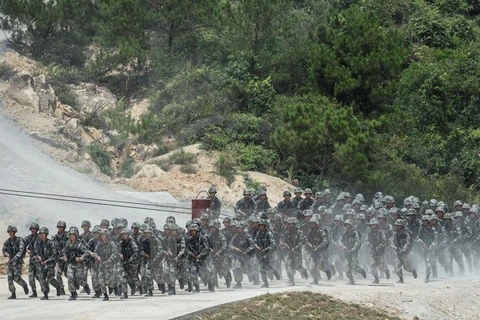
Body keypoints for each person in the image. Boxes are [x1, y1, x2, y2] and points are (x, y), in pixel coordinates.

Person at [62, 227, 90, 300]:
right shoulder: (68, 243)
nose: (71, 236)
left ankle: (85, 285)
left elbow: (86, 252)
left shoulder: (79, 244)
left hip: (78, 264)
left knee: (78, 279)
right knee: (70, 278)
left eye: (73, 234)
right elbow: (64, 251)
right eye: (70, 234)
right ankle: (73, 294)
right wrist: (65, 257)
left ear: (76, 235)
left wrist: (81, 258)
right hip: (71, 263)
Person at [2, 225, 29, 299]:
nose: (10, 233)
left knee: (17, 278)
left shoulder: (19, 240)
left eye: (12, 232)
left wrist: (15, 257)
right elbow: (3, 250)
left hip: (18, 262)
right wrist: (7, 255)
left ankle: (24, 285)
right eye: (9, 232)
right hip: (10, 262)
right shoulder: (7, 242)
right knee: (10, 278)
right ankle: (13, 293)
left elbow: (21, 250)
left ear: (14, 232)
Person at [34, 227, 61, 300]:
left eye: (43, 234)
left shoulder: (50, 243)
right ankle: (45, 294)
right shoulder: (38, 243)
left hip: (50, 264)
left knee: (50, 279)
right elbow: (35, 252)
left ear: (46, 234)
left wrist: (48, 260)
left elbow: (54, 254)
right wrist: (38, 257)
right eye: (41, 234)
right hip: (41, 263)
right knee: (41, 278)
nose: (42, 235)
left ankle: (58, 286)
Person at [280, 217, 308, 286]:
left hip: (297, 252)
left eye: (291, 224)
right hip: (288, 252)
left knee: (297, 266)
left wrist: (295, 248)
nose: (289, 226)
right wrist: (284, 245)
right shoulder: (286, 232)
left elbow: (301, 242)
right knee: (288, 266)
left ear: (294, 224)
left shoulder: (299, 232)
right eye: (288, 224)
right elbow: (282, 240)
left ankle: (303, 271)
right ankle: (291, 281)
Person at [94, 228, 119, 301]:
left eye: (104, 235)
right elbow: (95, 252)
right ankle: (105, 295)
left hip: (109, 265)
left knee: (110, 281)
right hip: (101, 265)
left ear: (107, 235)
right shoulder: (99, 244)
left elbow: (115, 253)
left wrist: (109, 261)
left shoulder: (111, 243)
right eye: (102, 235)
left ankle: (114, 287)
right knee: (101, 280)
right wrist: (97, 257)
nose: (103, 236)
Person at [230, 222, 256, 288]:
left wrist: (247, 251)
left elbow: (252, 245)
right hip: (239, 255)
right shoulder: (236, 236)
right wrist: (235, 248)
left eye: (240, 228)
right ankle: (238, 283)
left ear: (243, 228)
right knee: (237, 267)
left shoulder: (247, 236)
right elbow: (230, 244)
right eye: (237, 228)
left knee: (248, 270)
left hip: (247, 256)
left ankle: (252, 276)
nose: (238, 229)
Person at [254, 219, 279, 288]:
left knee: (268, 266)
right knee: (261, 269)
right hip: (261, 253)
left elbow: (273, 244)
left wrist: (266, 249)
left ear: (265, 226)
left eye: (262, 225)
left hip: (268, 253)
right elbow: (254, 242)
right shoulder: (258, 233)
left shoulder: (269, 233)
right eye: (260, 226)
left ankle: (274, 271)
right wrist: (257, 247)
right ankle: (265, 283)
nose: (261, 227)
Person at [340, 219, 366, 285]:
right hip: (347, 252)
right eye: (346, 225)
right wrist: (342, 246)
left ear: (351, 225)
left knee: (354, 267)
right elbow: (339, 240)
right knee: (346, 266)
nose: (347, 226)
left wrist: (353, 249)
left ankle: (361, 271)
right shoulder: (344, 233)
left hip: (354, 252)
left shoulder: (355, 233)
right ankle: (351, 280)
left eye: (348, 225)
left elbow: (358, 242)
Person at [306, 216, 331, 284]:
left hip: (320, 251)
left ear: (316, 224)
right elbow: (307, 241)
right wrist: (310, 245)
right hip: (313, 251)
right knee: (312, 266)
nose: (312, 225)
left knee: (318, 266)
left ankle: (326, 270)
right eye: (311, 223)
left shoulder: (321, 231)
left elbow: (325, 241)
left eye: (313, 223)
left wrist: (318, 247)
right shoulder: (310, 232)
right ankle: (315, 279)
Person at [186, 224, 209, 293]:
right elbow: (187, 248)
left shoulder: (203, 238)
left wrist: (200, 255)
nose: (193, 232)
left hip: (203, 258)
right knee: (193, 273)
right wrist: (191, 254)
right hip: (194, 258)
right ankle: (197, 287)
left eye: (194, 231)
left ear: (197, 231)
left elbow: (206, 248)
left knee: (206, 272)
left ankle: (209, 283)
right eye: (191, 231)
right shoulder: (190, 239)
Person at [392, 219, 417, 283]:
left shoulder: (406, 234)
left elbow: (407, 243)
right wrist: (394, 247)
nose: (397, 227)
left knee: (407, 268)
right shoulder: (396, 234)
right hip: (399, 252)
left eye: (398, 226)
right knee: (397, 266)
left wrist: (403, 250)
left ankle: (412, 270)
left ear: (402, 226)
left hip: (406, 253)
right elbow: (393, 242)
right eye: (396, 226)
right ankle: (401, 279)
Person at [367, 218, 390, 284]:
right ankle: (376, 279)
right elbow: (367, 240)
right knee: (372, 265)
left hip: (380, 252)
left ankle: (386, 270)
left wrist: (379, 247)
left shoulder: (381, 232)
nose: (372, 226)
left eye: (373, 225)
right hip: (373, 252)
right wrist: (369, 244)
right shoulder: (370, 233)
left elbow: (385, 241)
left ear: (376, 225)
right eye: (371, 225)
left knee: (380, 266)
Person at [119, 228, 139, 297]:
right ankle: (124, 293)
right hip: (123, 263)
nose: (124, 236)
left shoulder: (132, 242)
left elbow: (136, 252)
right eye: (123, 234)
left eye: (125, 234)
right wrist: (119, 254)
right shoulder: (121, 243)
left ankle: (134, 286)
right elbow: (117, 250)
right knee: (123, 277)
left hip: (132, 263)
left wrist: (130, 260)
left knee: (132, 278)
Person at [52, 220, 68, 296]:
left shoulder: (68, 235)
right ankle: (61, 288)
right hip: (59, 258)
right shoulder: (55, 237)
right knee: (58, 274)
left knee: (68, 274)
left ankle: (74, 286)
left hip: (67, 258)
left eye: (61, 227)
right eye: (59, 227)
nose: (60, 228)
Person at [25, 222, 40, 298]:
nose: (32, 230)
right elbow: (22, 245)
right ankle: (34, 292)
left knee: (39, 276)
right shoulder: (28, 238)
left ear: (37, 230)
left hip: (39, 260)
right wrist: (27, 250)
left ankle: (45, 288)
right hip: (31, 260)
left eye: (34, 229)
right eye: (32, 229)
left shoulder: (40, 237)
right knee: (31, 276)